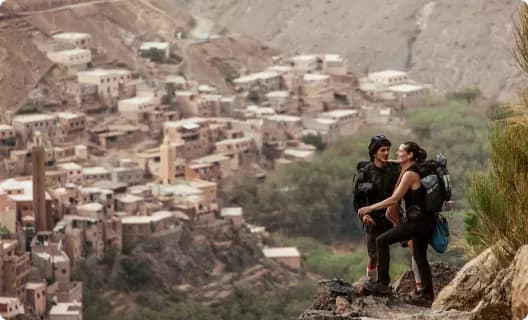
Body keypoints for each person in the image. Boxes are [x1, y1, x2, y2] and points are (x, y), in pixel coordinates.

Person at [357, 141, 436, 306]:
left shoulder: (409, 175)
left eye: (400, 152)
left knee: (381, 240)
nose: (396, 154)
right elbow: (398, 162)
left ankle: (383, 283)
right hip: (429, 221)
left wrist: (370, 207)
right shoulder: (420, 167)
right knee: (420, 256)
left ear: (410, 155)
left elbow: (394, 199)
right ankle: (427, 294)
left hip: (418, 224)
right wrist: (387, 161)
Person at [352, 135, 399, 285]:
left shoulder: (394, 170)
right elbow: (357, 200)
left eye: (387, 150)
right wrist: (364, 216)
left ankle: (386, 283)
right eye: (382, 150)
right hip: (373, 220)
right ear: (374, 153)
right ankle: (372, 282)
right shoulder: (365, 173)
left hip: (392, 217)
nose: (386, 153)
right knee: (374, 255)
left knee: (411, 244)